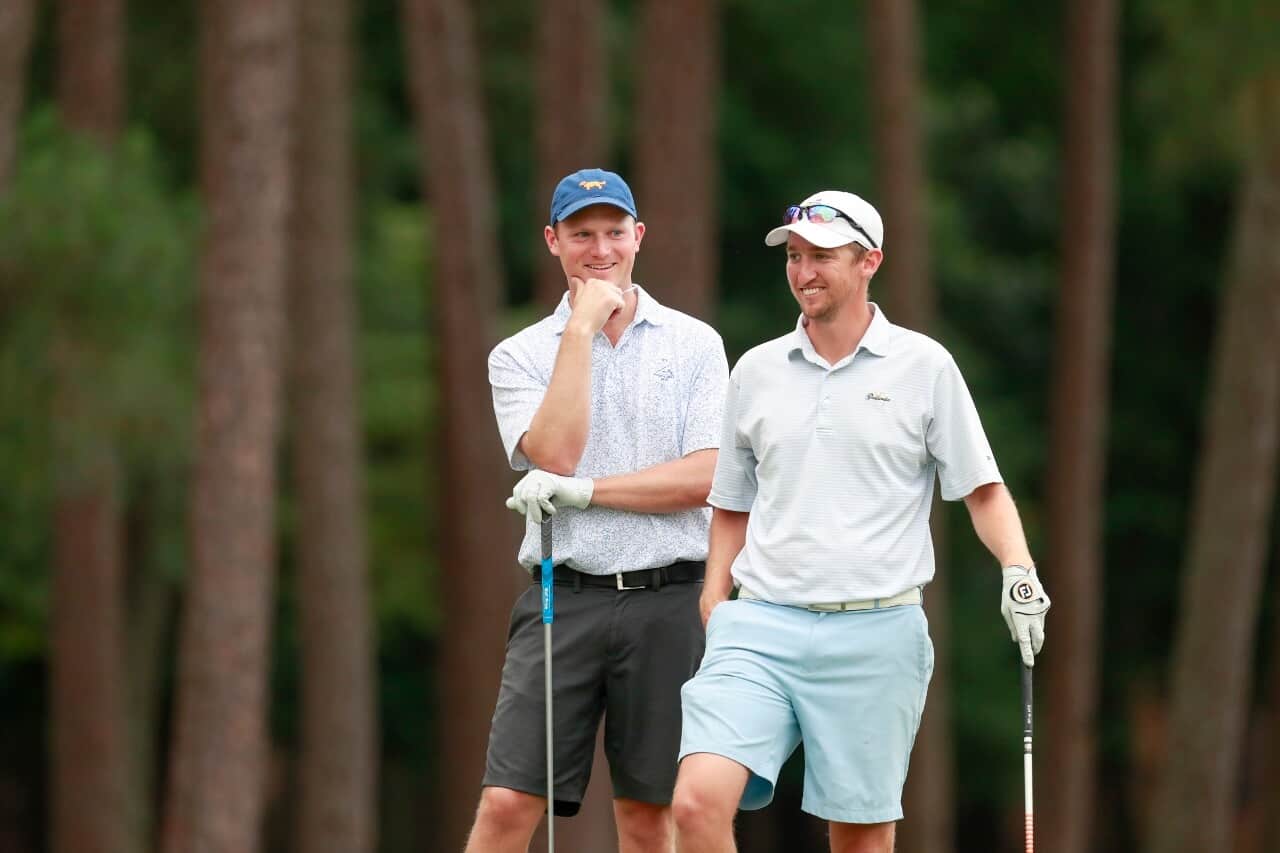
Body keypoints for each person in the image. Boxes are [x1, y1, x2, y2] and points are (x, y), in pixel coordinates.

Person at [670, 190, 1051, 853]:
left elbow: (982, 490)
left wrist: (1018, 570)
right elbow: (732, 499)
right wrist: (713, 591)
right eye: (793, 255)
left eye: (821, 255)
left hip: (877, 630)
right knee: (696, 801)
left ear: (869, 260)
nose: (803, 271)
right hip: (760, 623)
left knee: (861, 839)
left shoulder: (924, 367)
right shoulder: (756, 370)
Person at [465, 168, 730, 853]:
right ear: (553, 241)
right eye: (582, 234)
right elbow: (555, 450)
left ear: (638, 236)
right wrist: (578, 332)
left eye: (615, 231)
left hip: (672, 598)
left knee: (651, 816)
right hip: (565, 598)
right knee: (504, 802)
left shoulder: (694, 343)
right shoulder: (519, 355)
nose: (600, 248)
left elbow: (707, 476)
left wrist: (588, 491)